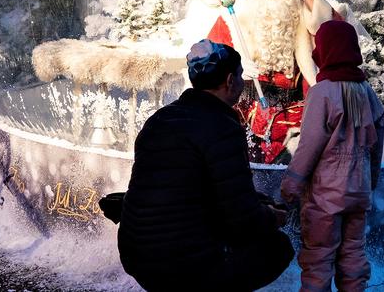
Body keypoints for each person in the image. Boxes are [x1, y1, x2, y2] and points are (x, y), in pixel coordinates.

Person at [118, 39, 294, 291]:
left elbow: (195, 188)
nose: (243, 83)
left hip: (136, 252)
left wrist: (260, 202)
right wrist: (273, 217)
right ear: (230, 81)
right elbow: (241, 217)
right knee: (277, 248)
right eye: (241, 75)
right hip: (181, 262)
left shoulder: (161, 118)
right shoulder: (222, 126)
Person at [206, 0, 347, 162]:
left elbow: (339, 38)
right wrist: (235, 66)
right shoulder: (235, 18)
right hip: (244, 113)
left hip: (295, 115)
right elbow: (207, 61)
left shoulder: (305, 16)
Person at [280, 20, 384, 292]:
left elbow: (310, 144)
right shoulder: (367, 93)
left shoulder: (322, 92)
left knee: (319, 258)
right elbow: (377, 144)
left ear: (324, 51)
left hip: (325, 195)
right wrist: (371, 180)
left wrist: (292, 182)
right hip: (359, 192)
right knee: (353, 256)